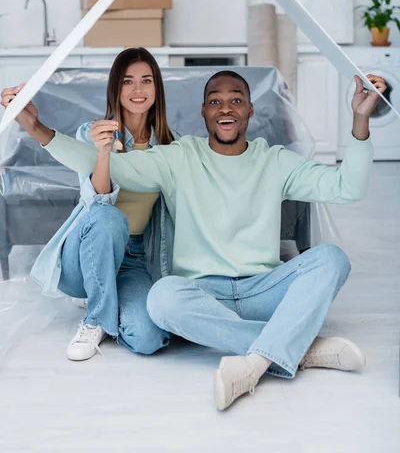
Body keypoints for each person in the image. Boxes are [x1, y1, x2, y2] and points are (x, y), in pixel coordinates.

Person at [1, 69, 386, 410]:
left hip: (263, 291)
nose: (226, 109)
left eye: (236, 101)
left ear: (251, 111)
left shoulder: (276, 161)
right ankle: (299, 349)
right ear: (203, 112)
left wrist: (359, 121)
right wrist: (36, 128)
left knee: (332, 258)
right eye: (215, 101)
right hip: (201, 294)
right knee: (162, 297)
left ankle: (254, 362)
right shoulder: (179, 157)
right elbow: (106, 165)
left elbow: (346, 187)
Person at [1, 48, 176, 361]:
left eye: (146, 81)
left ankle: (108, 299)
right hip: (83, 255)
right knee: (109, 217)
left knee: (149, 337)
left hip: (133, 258)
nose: (138, 90)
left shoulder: (169, 146)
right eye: (128, 82)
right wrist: (104, 152)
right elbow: (98, 203)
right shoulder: (90, 133)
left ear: (156, 89)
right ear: (115, 89)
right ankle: (96, 316)